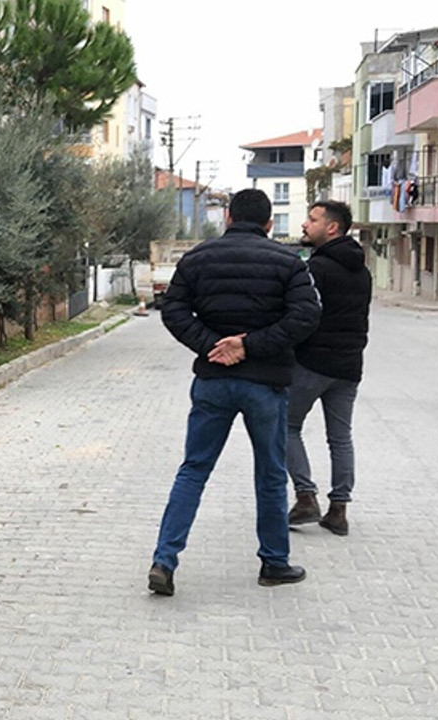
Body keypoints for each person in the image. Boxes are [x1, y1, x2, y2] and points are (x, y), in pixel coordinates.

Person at [147, 188, 321, 596]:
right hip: (266, 383)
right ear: (268, 223)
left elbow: (173, 310)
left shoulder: (197, 258)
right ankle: (274, 563)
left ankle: (164, 560)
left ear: (227, 217)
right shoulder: (288, 262)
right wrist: (251, 345)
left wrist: (212, 345)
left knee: (194, 469)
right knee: (271, 473)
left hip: (212, 381)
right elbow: (307, 314)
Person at [285, 201, 371, 537]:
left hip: (311, 363)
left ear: (331, 227)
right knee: (340, 438)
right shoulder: (361, 270)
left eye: (312, 219)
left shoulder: (316, 269)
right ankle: (339, 510)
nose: (305, 225)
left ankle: (306, 496)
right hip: (349, 365)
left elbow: (302, 316)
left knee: (286, 426)